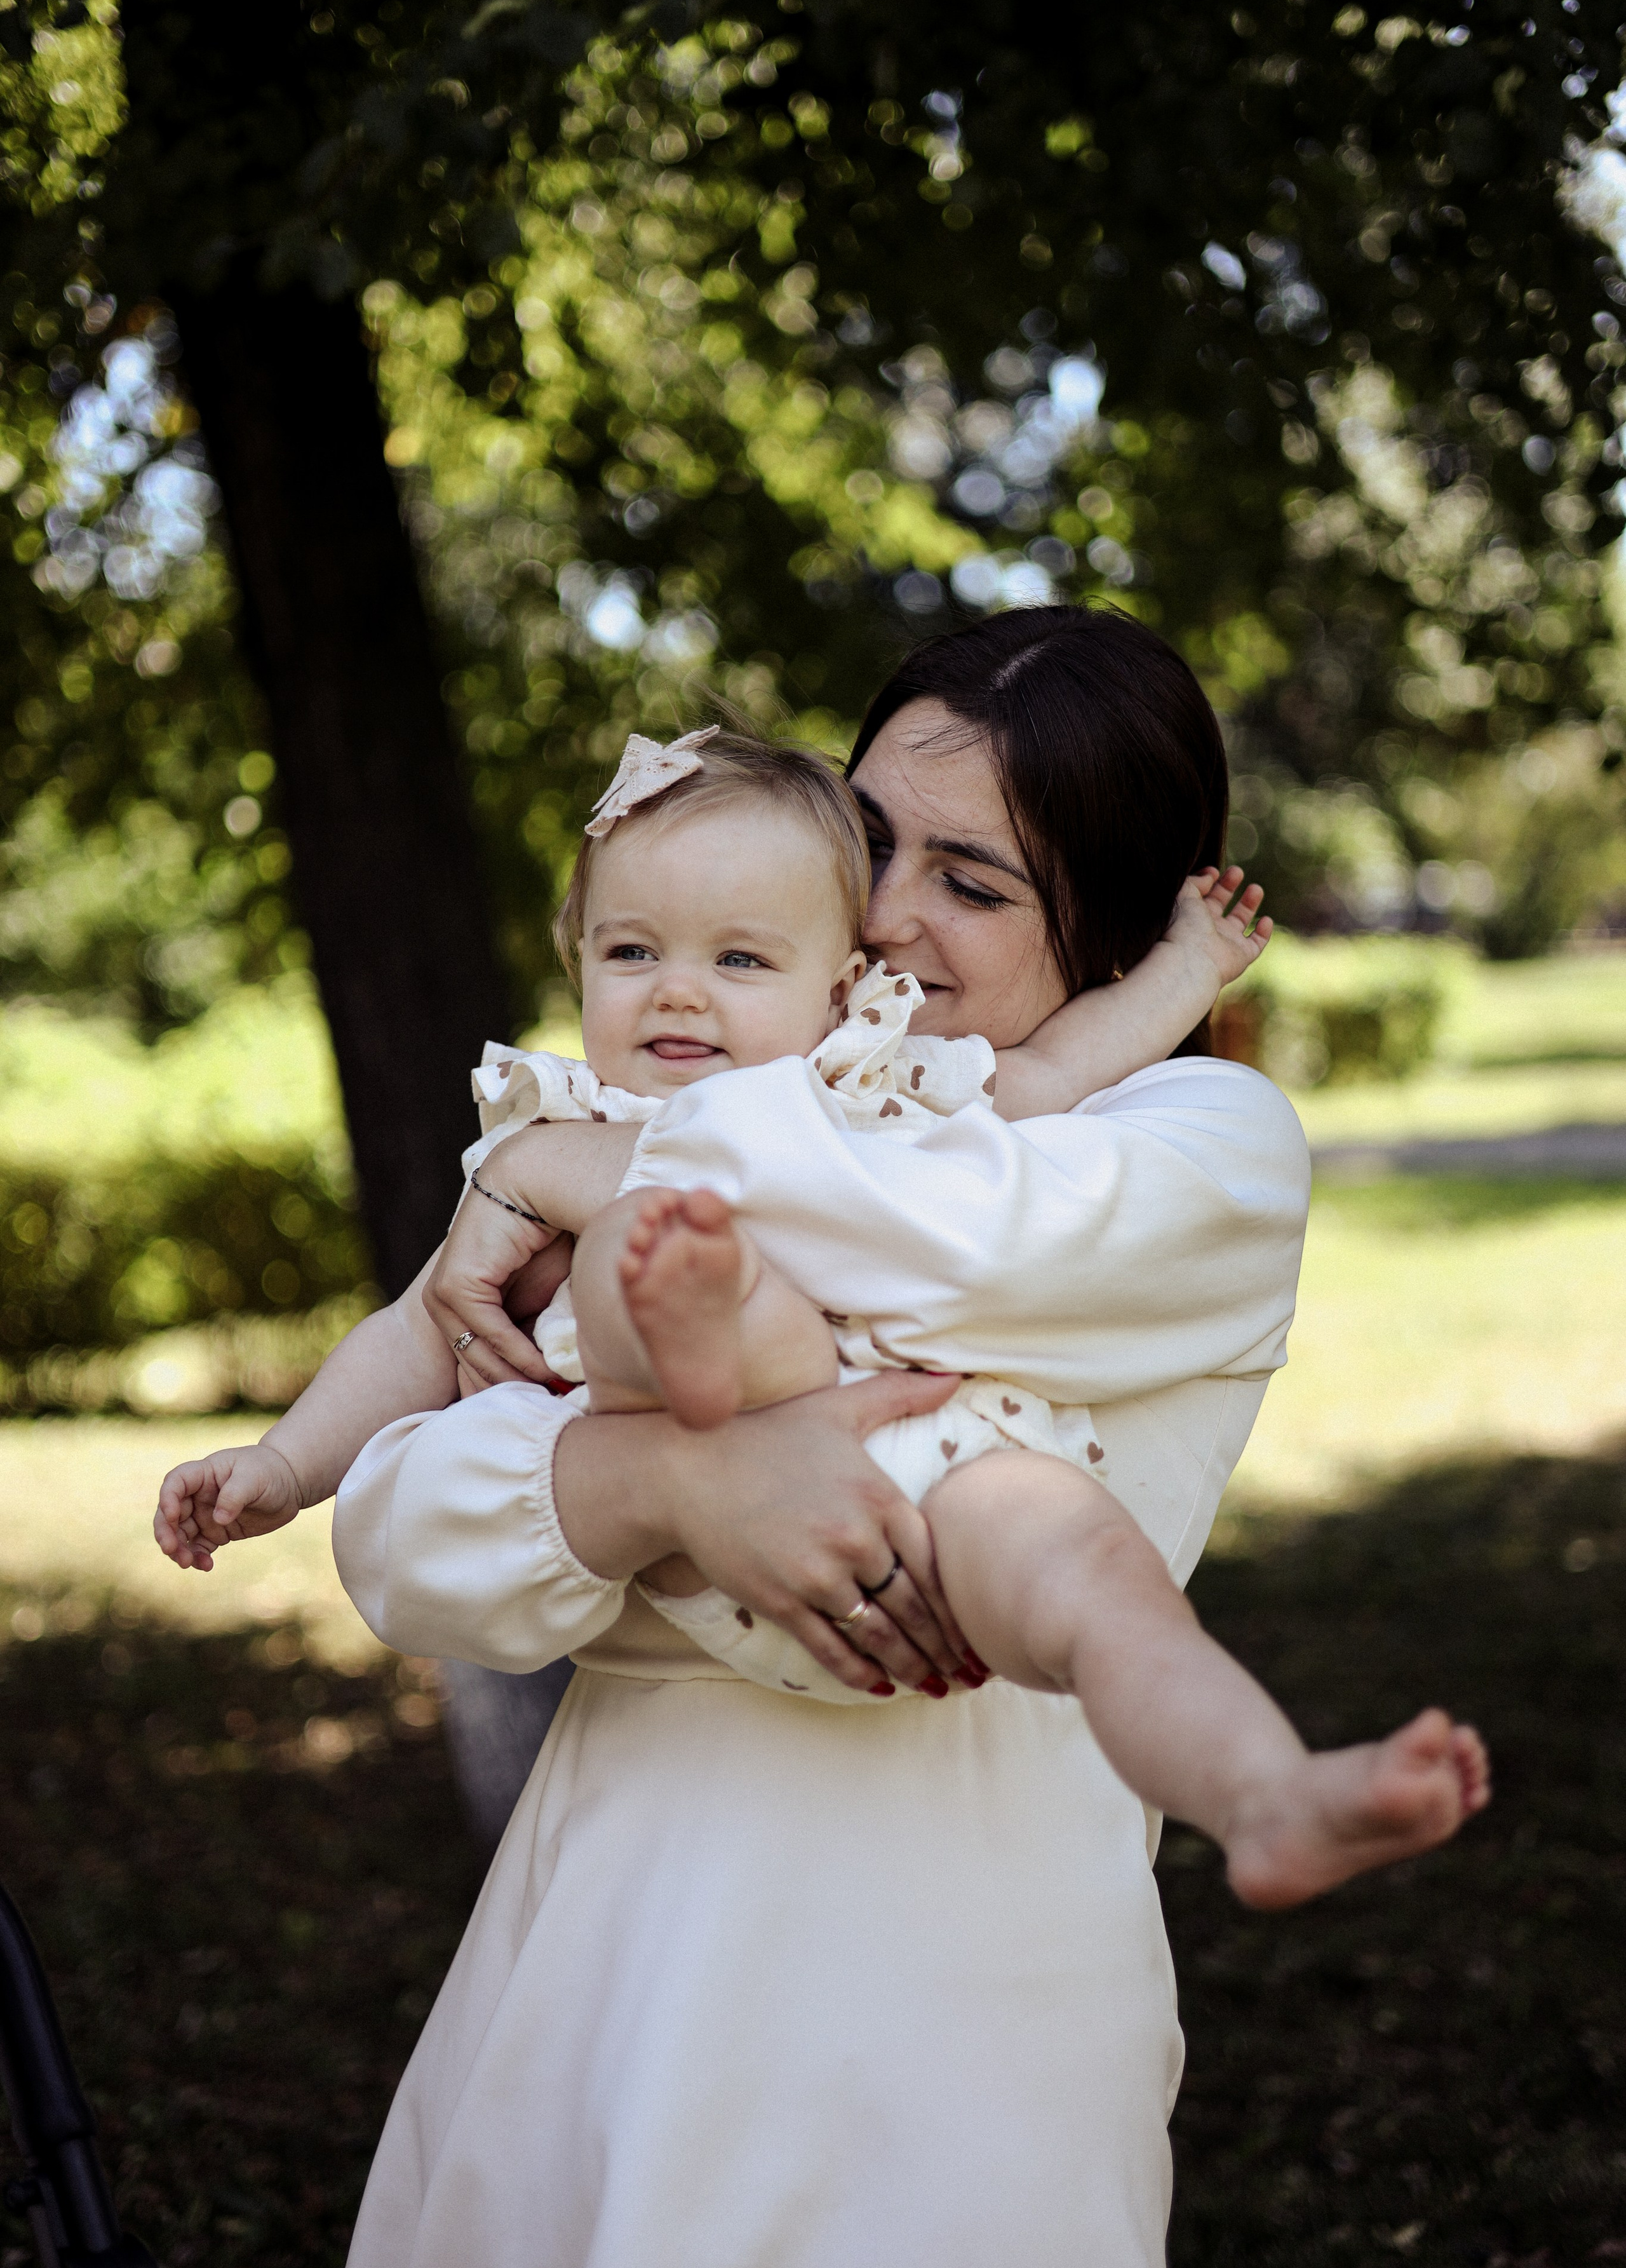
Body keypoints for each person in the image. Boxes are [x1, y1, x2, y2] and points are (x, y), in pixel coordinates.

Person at [246, 611, 1483, 2268]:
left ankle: (1267, 1784)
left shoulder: (1191, 1154)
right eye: (870, 839)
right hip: (603, 1965)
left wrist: (553, 1165)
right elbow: (406, 1538)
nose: (889, 915)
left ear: (1117, 930)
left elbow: (881, 1216)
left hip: (950, 1996)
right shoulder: (719, 1092)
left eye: (973, 882)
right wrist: (667, 1474)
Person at [154, 724, 1485, 1910]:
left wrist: (1191, 964)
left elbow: (1060, 1066)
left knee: (1085, 1571)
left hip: (914, 1508)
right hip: (701, 1511)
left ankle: (1264, 1794)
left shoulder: (876, 1087)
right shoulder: (549, 1133)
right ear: (574, 963)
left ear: (843, 985)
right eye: (632, 952)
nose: (678, 991)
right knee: (654, 1250)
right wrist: (282, 1466)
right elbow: (410, 1338)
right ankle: (692, 1336)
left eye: (739, 958)